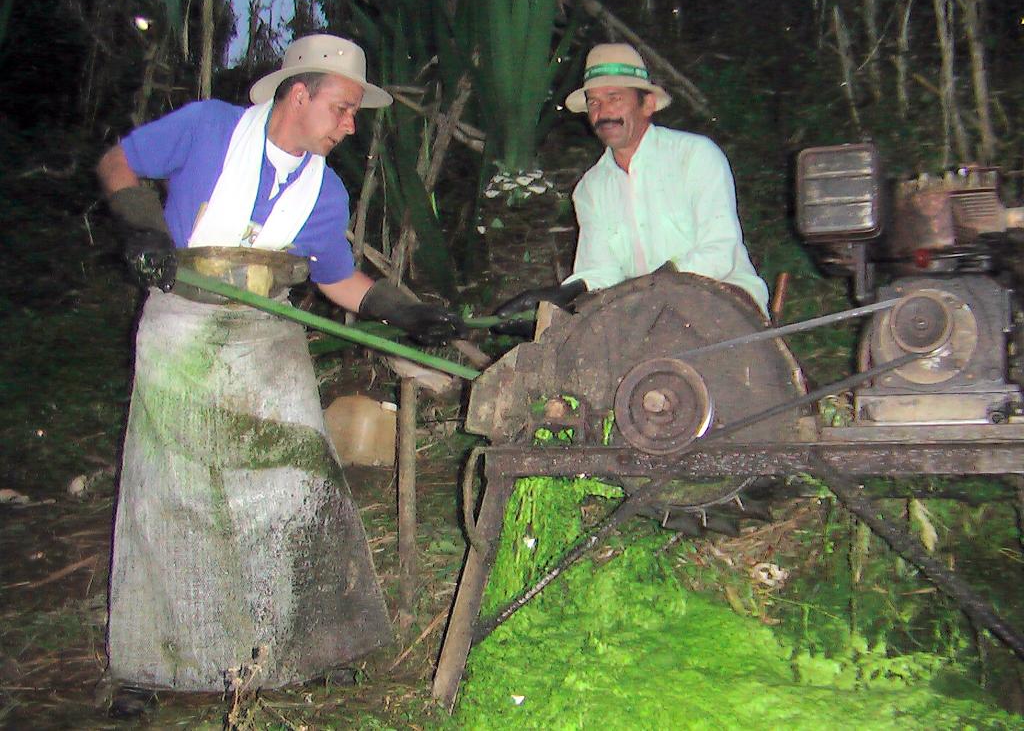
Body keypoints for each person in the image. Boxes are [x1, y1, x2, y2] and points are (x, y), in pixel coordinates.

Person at [96, 34, 463, 694]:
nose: (350, 126)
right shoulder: (208, 127)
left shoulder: (323, 191)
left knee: (295, 483)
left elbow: (338, 279)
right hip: (182, 328)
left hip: (268, 334)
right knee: (173, 494)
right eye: (342, 109)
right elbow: (117, 162)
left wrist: (403, 311)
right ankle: (154, 666)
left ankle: (303, 649)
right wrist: (142, 228)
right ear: (300, 94)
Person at [496, 42, 769, 326]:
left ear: (648, 104)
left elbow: (719, 251)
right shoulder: (591, 189)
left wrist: (653, 288)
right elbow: (600, 272)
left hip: (724, 300)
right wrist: (562, 295)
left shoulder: (695, 156)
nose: (603, 112)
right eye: (594, 102)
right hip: (645, 315)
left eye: (615, 98)